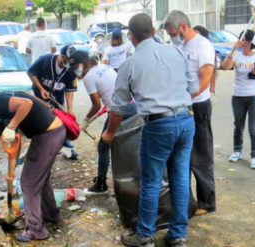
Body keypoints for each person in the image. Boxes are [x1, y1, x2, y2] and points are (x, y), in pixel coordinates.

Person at [102, 13, 199, 247]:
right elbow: (194, 88)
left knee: (152, 181)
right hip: (186, 121)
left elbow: (118, 107)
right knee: (179, 178)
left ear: (131, 37)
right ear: (155, 32)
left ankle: (145, 236)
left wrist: (110, 133)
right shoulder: (177, 52)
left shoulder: (130, 64)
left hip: (159, 126)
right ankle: (177, 235)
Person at [0, 87, 66, 242]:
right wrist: (12, 169)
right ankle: (51, 214)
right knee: (40, 178)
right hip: (52, 133)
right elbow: (15, 139)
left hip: (48, 136)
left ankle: (36, 230)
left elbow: (25, 104)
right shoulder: (0, 106)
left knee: (29, 183)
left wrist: (10, 127)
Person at [165, 10, 216, 217]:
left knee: (200, 155)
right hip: (181, 107)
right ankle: (184, 201)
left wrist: (186, 96)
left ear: (183, 27)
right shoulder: (180, 46)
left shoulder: (202, 45)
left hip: (198, 106)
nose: (171, 38)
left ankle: (207, 201)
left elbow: (205, 79)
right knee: (180, 156)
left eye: (172, 33)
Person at [77, 56, 136, 193]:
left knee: (104, 145)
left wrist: (86, 119)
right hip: (132, 106)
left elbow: (97, 105)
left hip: (119, 111)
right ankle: (131, 180)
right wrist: (90, 120)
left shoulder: (88, 77)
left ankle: (101, 184)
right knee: (127, 145)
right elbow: (106, 103)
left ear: (81, 65)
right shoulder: (104, 67)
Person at [28, 45, 88, 159]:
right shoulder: (45, 60)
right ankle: (39, 150)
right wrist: (41, 89)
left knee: (64, 123)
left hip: (57, 100)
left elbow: (69, 90)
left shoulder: (70, 69)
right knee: (41, 124)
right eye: (68, 60)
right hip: (39, 98)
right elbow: (31, 73)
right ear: (62, 56)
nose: (70, 64)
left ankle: (68, 149)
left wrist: (70, 110)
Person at [222, 29, 255, 169]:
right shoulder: (236, 54)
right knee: (238, 125)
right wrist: (233, 50)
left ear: (252, 43)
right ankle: (237, 150)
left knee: (253, 127)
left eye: (247, 41)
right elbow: (225, 66)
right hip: (238, 96)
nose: (244, 44)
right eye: (242, 40)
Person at [193, 25, 217, 108]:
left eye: (197, 34)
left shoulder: (207, 48)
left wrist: (212, 91)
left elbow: (212, 74)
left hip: (201, 98)